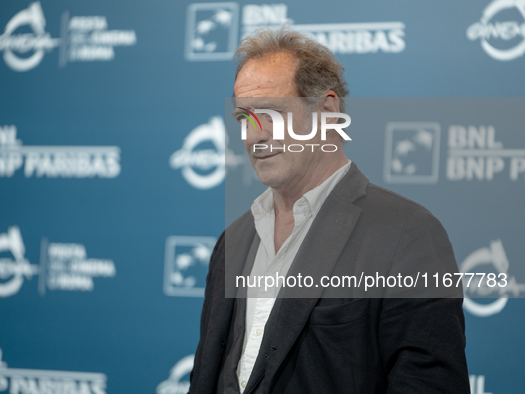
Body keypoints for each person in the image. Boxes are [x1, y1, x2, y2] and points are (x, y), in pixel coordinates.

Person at [189, 27, 469, 394]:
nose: (254, 136)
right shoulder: (235, 239)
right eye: (244, 118)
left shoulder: (407, 233)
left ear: (327, 111)